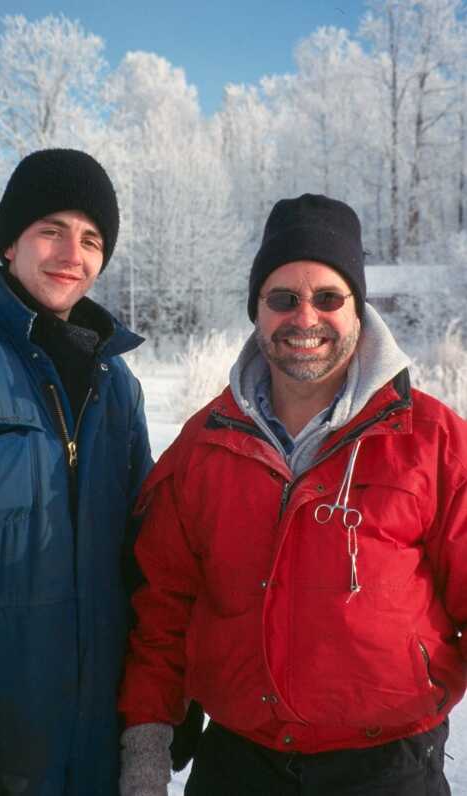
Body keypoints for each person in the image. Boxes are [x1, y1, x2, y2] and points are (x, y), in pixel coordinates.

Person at [117, 194, 467, 795]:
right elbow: (162, 609)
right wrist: (146, 742)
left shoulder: (434, 440)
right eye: (283, 299)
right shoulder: (202, 447)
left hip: (390, 767)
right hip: (238, 766)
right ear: (257, 310)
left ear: (358, 309)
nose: (304, 318)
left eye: (328, 297)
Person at [0, 148, 152, 795]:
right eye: (50, 229)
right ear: (8, 243)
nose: (70, 254)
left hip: (96, 747)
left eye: (91, 238)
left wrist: (160, 703)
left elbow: (148, 560)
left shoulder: (117, 385)